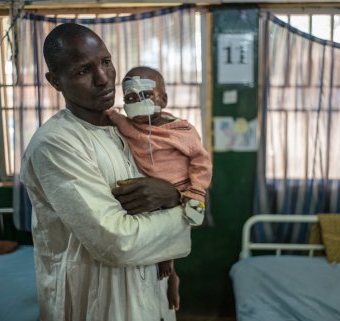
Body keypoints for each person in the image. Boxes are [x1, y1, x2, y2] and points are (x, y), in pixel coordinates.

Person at [20, 23, 204, 321]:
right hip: (96, 299)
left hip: (151, 285)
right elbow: (115, 241)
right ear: (55, 80)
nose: (103, 79)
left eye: (106, 62)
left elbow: (167, 191)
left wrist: (173, 199)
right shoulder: (55, 144)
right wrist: (185, 209)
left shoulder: (129, 130)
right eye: (83, 71)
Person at [107, 67, 212, 311]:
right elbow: (113, 117)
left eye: (146, 95)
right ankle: (171, 271)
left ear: (163, 100)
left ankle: (171, 269)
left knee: (172, 227)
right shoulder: (129, 126)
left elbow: (201, 161)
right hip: (149, 191)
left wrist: (196, 192)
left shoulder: (181, 130)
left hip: (181, 190)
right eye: (130, 98)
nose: (137, 102)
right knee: (153, 226)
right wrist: (108, 113)